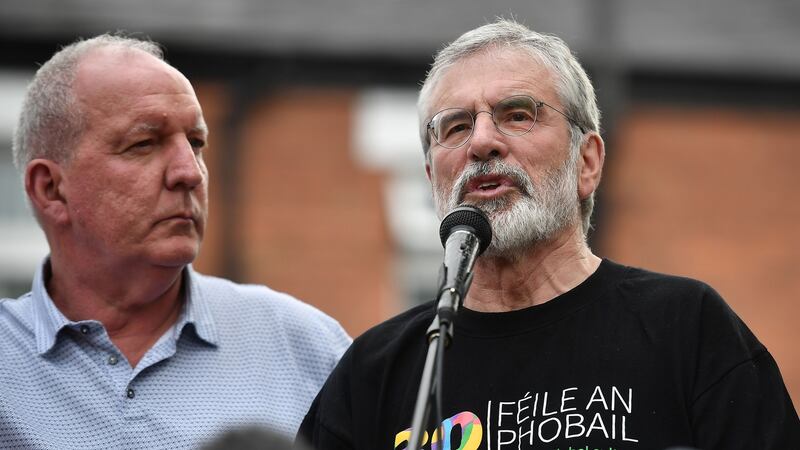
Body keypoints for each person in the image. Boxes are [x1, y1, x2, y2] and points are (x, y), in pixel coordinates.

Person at [298, 18, 800, 450]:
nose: (482, 142)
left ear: (587, 162)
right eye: (454, 127)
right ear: (433, 177)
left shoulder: (685, 329)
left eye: (518, 115)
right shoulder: (375, 371)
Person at [0, 34, 351, 449]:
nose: (190, 172)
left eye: (196, 143)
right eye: (143, 144)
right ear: (51, 190)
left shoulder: (307, 347)